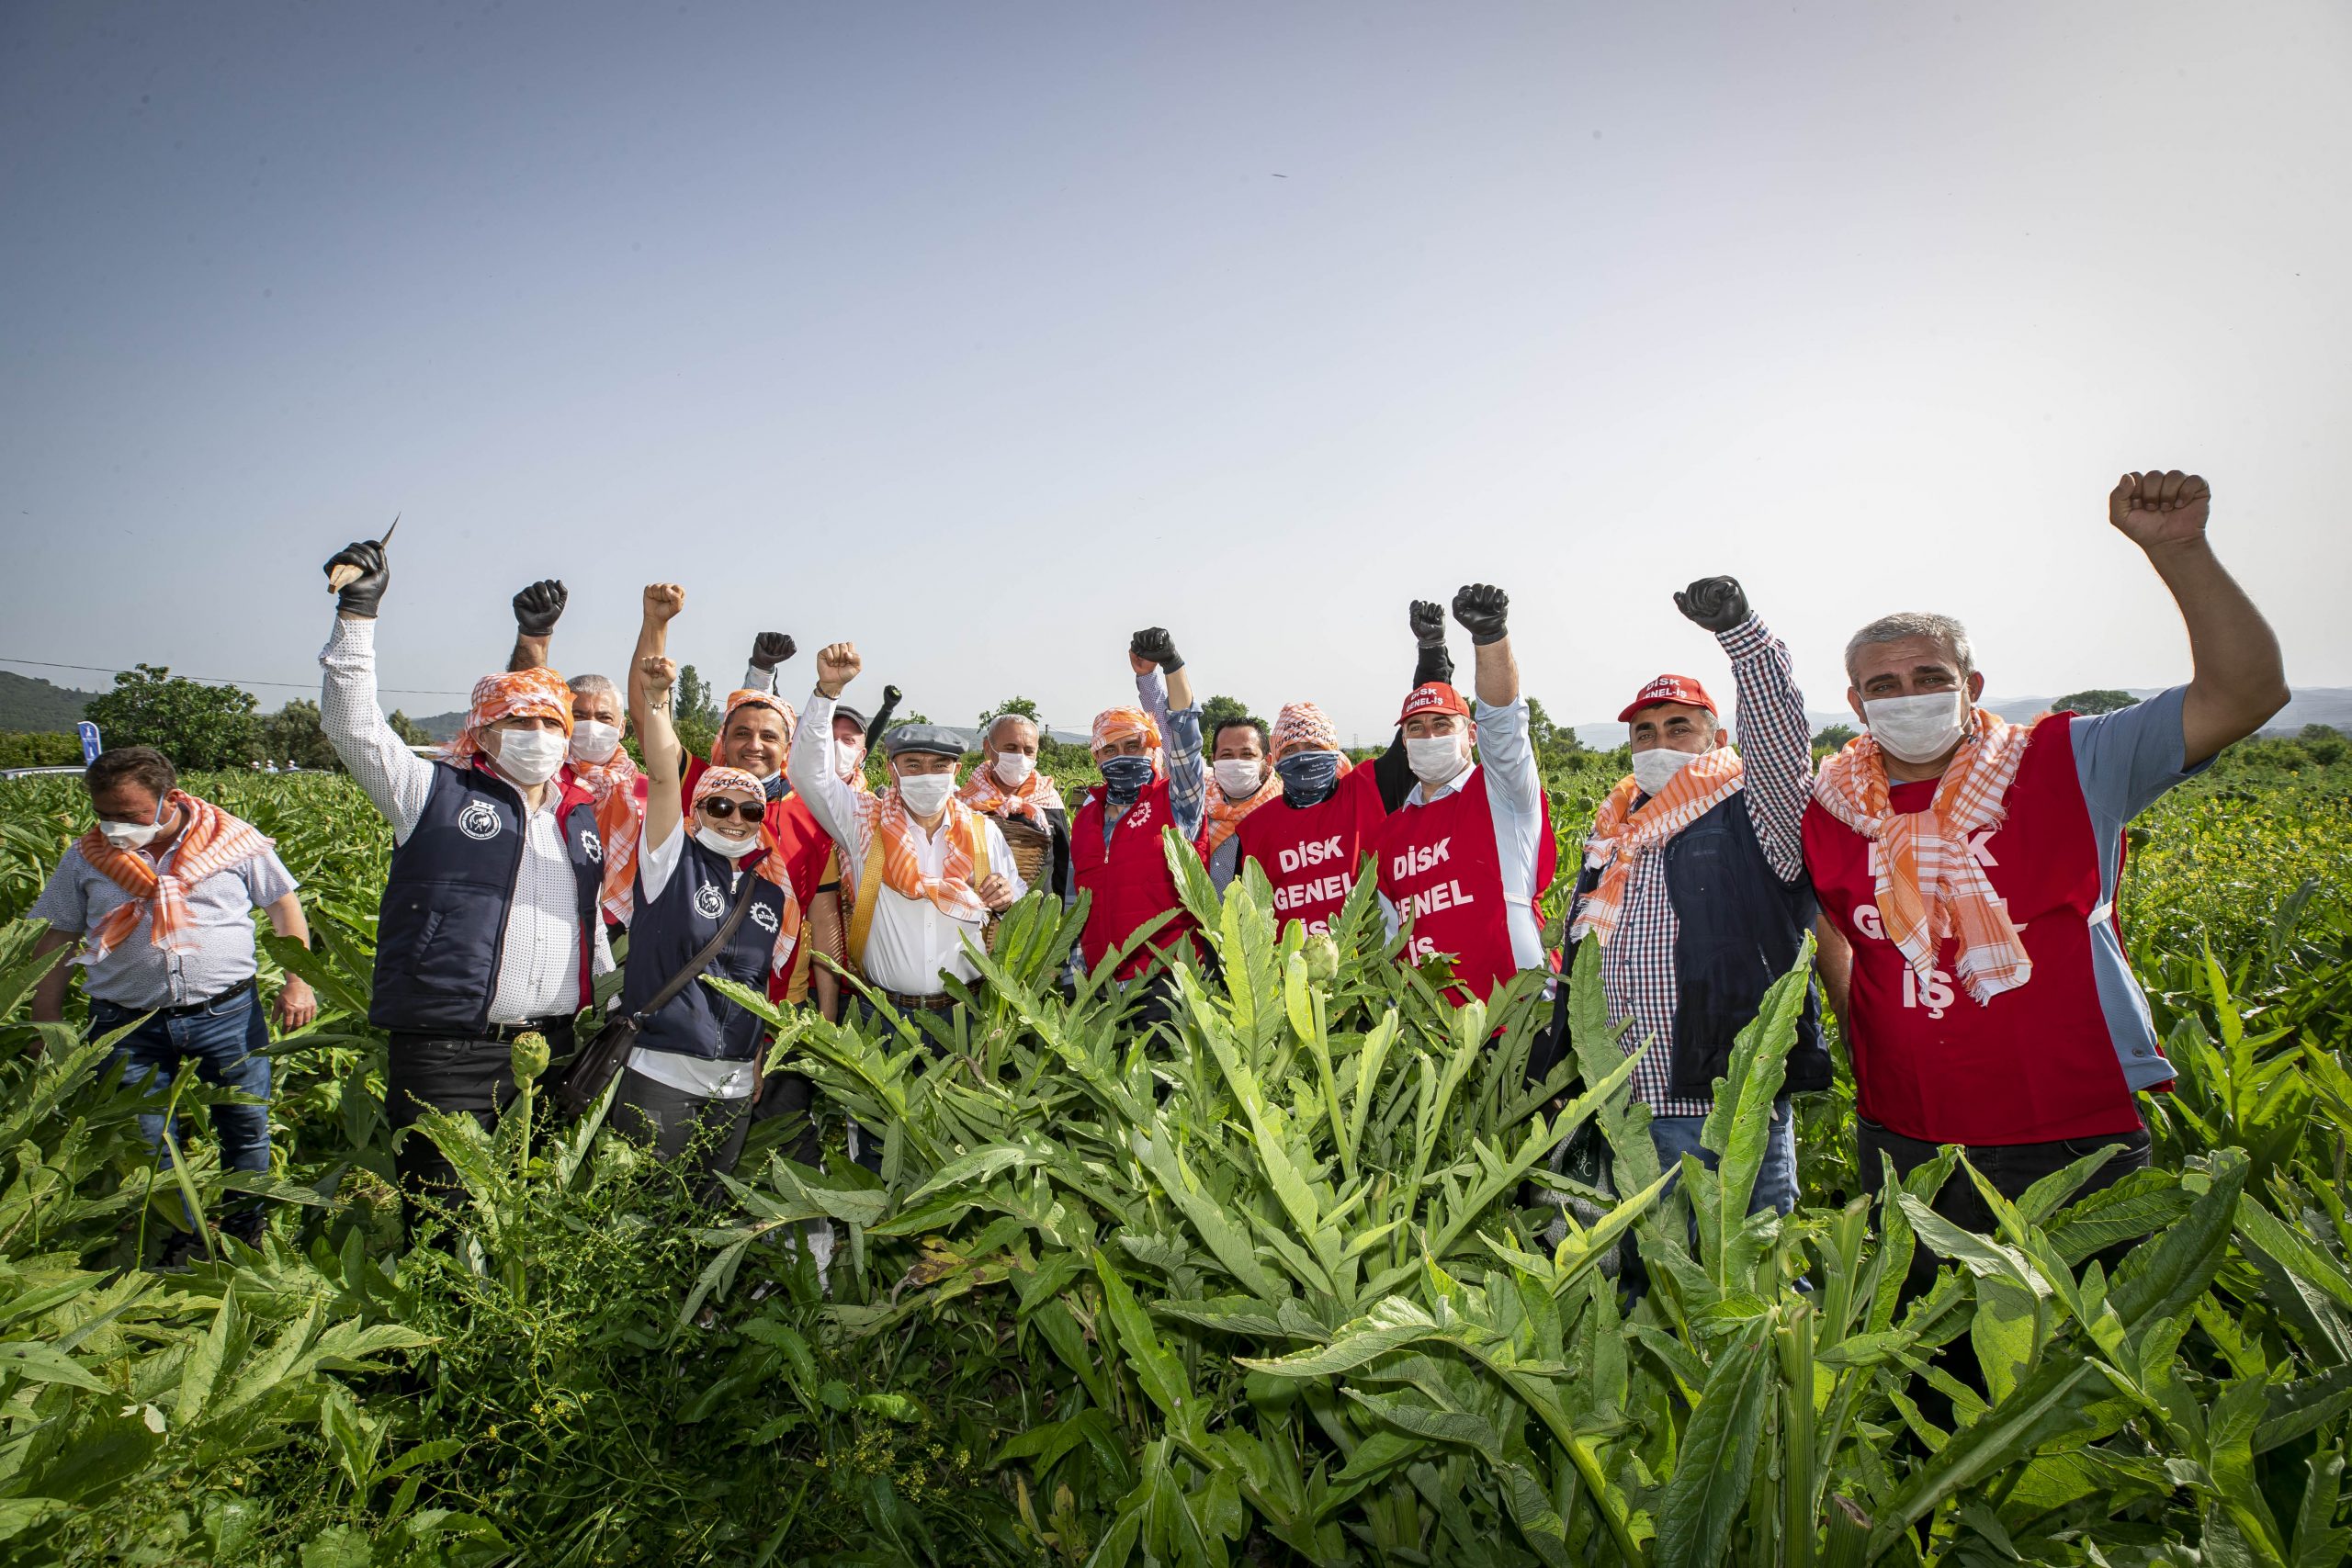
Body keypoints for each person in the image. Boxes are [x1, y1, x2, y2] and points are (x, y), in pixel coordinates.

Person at [1804, 469, 2288, 1263]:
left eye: (1931, 677)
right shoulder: (1829, 802)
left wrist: (2182, 553)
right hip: (1907, 1132)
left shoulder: (2067, 759)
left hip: (2072, 1131)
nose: (1908, 695)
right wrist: (1865, 1039)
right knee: (1928, 1369)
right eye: (1883, 685)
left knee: (2077, 1362)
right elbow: (1836, 928)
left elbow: (2246, 692)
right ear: (1856, 704)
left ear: (1973, 687)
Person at [316, 536, 613, 1221]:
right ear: (480, 734)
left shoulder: (578, 815)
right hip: (449, 1052)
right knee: (449, 1223)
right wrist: (358, 612)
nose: (537, 733)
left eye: (550, 722)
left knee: (529, 1219)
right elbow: (351, 724)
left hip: (551, 1049)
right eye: (518, 720)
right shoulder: (432, 793)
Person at [1561, 577, 1818, 1217]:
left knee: (1744, 1289)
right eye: (1644, 732)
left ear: (1719, 739)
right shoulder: (1613, 833)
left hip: (1721, 1111)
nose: (1658, 743)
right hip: (1623, 1109)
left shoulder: (1753, 816)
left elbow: (1781, 748)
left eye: (1679, 727)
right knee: (1645, 1291)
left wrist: (1744, 638)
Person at [28, 746, 317, 1258]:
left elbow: (283, 908)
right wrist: (45, 1019)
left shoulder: (233, 842)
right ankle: (176, 1236)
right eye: (104, 815)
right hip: (124, 1023)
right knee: (146, 1141)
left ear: (168, 797)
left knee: (245, 1126)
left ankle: (244, 1228)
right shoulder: (86, 855)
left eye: (130, 814)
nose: (114, 826)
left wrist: (300, 981)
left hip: (227, 1013)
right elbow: (58, 936)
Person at [605, 647, 800, 1175]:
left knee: (704, 1217)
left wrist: (756, 1060)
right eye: (719, 805)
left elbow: (755, 984)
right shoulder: (670, 861)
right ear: (696, 809)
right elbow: (664, 773)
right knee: (646, 1214)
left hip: (734, 1084)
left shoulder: (770, 891)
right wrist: (658, 699)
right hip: (660, 1073)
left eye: (749, 810)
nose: (734, 818)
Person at [788, 641, 1023, 1028]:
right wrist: (827, 693)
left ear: (957, 772)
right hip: (882, 1012)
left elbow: (1015, 896)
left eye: (938, 766)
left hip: (964, 1015)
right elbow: (809, 774)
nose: (926, 775)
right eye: (912, 765)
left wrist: (1006, 896)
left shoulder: (983, 832)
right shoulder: (864, 821)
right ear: (891, 770)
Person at [1371, 585, 1557, 1006]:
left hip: (1520, 1020)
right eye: (1416, 728)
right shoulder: (1388, 834)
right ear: (1404, 742)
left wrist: (1490, 638)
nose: (1429, 735)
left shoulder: (1501, 793)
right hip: (1435, 1034)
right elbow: (1390, 936)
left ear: (1471, 734)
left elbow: (1506, 726)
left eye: (1442, 724)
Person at [1230, 601, 1459, 931]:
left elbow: (1423, 720)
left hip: (1366, 967)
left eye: (1313, 746)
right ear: (1276, 760)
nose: (1302, 756)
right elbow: (1240, 919)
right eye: (1290, 749)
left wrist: (1432, 651)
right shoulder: (1254, 830)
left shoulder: (1369, 791)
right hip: (1287, 976)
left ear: (1334, 752)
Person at [498, 577, 651, 929]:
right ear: (563, 720)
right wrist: (534, 638)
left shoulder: (646, 790)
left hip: (627, 933)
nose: (592, 725)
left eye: (604, 717)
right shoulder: (545, 778)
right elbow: (528, 704)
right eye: (579, 716)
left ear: (622, 727)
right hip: (544, 920)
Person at [1071, 629, 1206, 992]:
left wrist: (1172, 665)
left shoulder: (1177, 802)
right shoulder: (1085, 819)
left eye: (1133, 745)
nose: (1122, 757)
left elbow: (1185, 738)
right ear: (1096, 758)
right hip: (1100, 987)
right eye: (1110, 750)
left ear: (1152, 749)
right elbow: (1079, 907)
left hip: (1166, 983)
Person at [959, 711, 1073, 905]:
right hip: (979, 922)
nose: (1020, 757)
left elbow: (1064, 867)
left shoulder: (1049, 801)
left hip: (1037, 924)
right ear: (988, 747)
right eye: (1010, 748)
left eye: (1028, 750)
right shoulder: (964, 804)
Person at [1198, 716, 1281, 887]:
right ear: (1214, 760)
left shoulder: (1284, 810)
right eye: (1227, 755)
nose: (1237, 763)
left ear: (1268, 761)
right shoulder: (1199, 804)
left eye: (1247, 754)